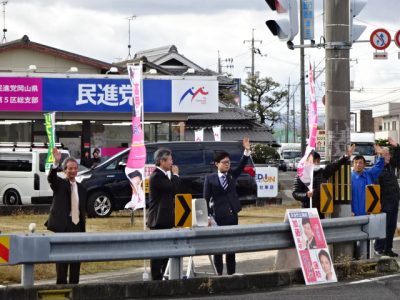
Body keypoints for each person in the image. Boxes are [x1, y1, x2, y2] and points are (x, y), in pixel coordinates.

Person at [203, 137, 251, 276]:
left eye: (229, 162)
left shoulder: (231, 175)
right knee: (218, 248)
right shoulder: (210, 178)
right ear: (216, 164)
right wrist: (207, 216)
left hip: (232, 215)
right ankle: (219, 274)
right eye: (224, 163)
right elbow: (205, 198)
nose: (227, 165)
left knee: (231, 247)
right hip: (217, 216)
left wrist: (246, 150)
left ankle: (231, 274)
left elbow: (242, 164)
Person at [45, 148, 88, 284]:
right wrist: (55, 163)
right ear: (64, 170)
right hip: (63, 225)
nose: (73, 171)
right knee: (62, 260)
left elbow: (82, 209)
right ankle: (61, 287)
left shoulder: (81, 188)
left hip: (77, 226)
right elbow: (51, 178)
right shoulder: (60, 184)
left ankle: (75, 286)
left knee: (76, 259)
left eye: (75, 168)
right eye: (70, 169)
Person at [292, 145, 355, 219]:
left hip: (321, 210)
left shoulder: (323, 172)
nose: (316, 163)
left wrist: (346, 156)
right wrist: (306, 195)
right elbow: (295, 193)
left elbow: (335, 165)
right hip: (307, 209)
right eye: (314, 161)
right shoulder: (301, 175)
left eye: (318, 161)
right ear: (308, 161)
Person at [147, 148, 181, 280]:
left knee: (166, 250)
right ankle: (156, 278)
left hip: (165, 218)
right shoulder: (157, 176)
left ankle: (164, 275)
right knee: (157, 251)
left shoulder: (163, 175)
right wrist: (176, 175)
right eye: (170, 160)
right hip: (158, 219)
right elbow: (174, 188)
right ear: (162, 161)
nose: (172, 163)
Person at [374, 138, 400, 257]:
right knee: (383, 226)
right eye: (386, 154)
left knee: (391, 226)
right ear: (381, 155)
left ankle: (388, 248)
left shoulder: (390, 166)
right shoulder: (377, 169)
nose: (389, 156)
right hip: (383, 202)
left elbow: (398, 160)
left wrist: (396, 147)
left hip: (394, 201)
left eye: (389, 154)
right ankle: (379, 248)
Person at [351, 144, 384, 216]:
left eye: (360, 163)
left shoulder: (369, 174)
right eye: (355, 162)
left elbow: (378, 166)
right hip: (353, 214)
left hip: (368, 213)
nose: (358, 165)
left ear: (364, 165)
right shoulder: (348, 178)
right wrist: (348, 211)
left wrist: (381, 155)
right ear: (352, 164)